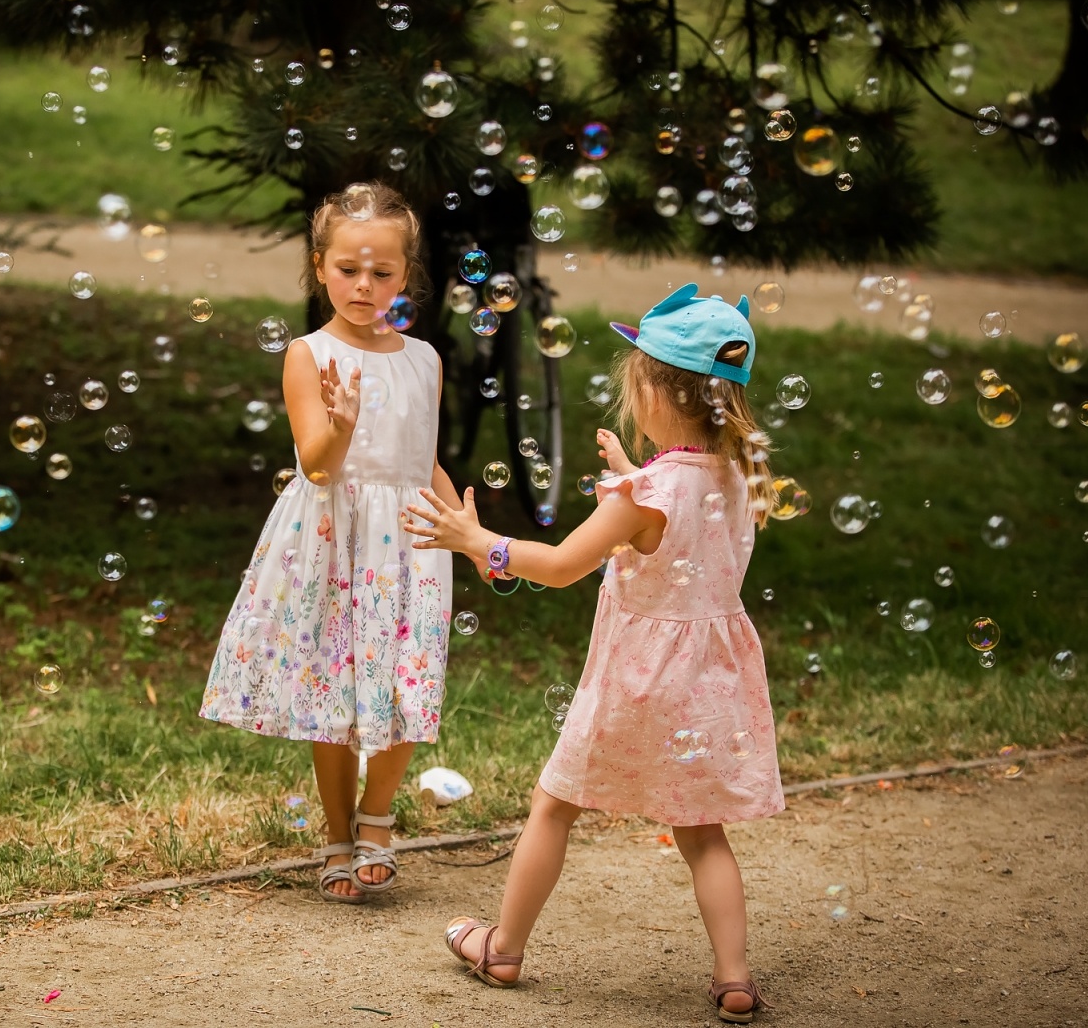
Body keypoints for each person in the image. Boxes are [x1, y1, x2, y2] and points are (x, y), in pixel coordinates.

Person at [403, 283, 784, 1024]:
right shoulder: (742, 474)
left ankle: (503, 948)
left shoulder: (643, 492)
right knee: (702, 831)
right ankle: (734, 978)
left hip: (636, 681)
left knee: (553, 806)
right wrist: (631, 472)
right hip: (708, 686)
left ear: (655, 395)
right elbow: (679, 527)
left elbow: (560, 566)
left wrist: (478, 541)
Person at [200, 182, 474, 903]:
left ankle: (376, 819)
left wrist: (474, 537)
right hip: (335, 538)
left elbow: (424, 461)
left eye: (383, 272)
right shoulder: (308, 354)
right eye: (349, 269)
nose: (364, 285)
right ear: (319, 266)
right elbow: (318, 465)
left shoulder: (425, 360)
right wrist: (343, 424)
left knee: (409, 678)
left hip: (410, 541)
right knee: (336, 687)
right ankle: (336, 832)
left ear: (406, 276)